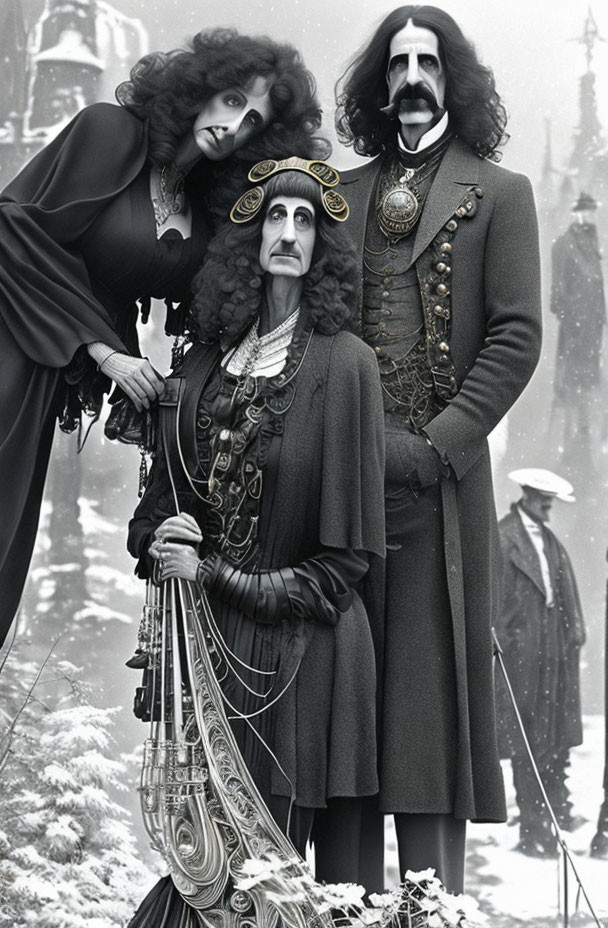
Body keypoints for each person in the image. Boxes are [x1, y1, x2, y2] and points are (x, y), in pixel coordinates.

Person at [315, 5, 542, 893]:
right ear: (381, 84)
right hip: (345, 487)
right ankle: (338, 903)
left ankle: (428, 908)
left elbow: (516, 339)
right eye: (398, 64)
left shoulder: (503, 193)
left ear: (455, 81)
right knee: (341, 708)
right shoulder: (341, 197)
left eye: (430, 64)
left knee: (423, 716)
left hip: (438, 493)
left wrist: (439, 444)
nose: (412, 78)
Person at [0, 28, 324, 650]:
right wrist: (106, 351)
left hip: (47, 372)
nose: (235, 124)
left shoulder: (201, 205)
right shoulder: (108, 132)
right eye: (231, 100)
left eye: (252, 119)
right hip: (13, 341)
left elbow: (212, 304)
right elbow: (14, 232)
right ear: (200, 88)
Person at [126, 157, 385, 922]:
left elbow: (343, 567)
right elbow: (153, 514)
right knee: (198, 872)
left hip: (300, 665)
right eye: (276, 216)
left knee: (259, 887)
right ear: (252, 235)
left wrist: (212, 576)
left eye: (307, 222)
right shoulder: (205, 363)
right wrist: (163, 536)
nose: (289, 233)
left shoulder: (348, 368)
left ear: (322, 250)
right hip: (205, 656)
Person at [495, 468, 586, 858]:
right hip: (520, 660)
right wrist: (509, 643)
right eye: (544, 498)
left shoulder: (550, 542)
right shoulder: (503, 539)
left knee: (551, 740)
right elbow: (495, 606)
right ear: (527, 496)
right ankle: (533, 831)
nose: (549, 505)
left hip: (551, 657)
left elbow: (561, 599)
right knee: (526, 744)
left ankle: (552, 817)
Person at [550, 191, 606, 453]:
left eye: (591, 211)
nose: (588, 216)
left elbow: (597, 286)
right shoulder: (564, 245)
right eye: (583, 211)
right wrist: (574, 319)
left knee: (589, 386)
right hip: (575, 330)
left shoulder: (593, 244)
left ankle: (588, 442)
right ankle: (570, 445)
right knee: (572, 388)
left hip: (593, 330)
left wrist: (599, 320)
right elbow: (557, 295)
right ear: (574, 214)